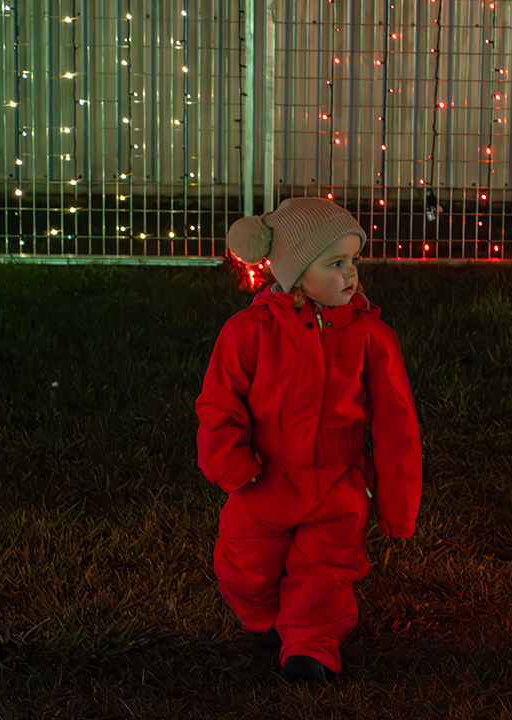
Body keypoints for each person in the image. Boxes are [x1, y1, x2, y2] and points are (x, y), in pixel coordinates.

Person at [196, 197, 422, 683]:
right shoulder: (249, 332)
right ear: (297, 274)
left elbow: (396, 423)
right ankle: (262, 619)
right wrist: (230, 462)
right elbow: (219, 402)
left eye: (353, 260)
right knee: (244, 565)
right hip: (264, 477)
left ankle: (311, 645)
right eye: (335, 263)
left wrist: (397, 502)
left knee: (326, 569)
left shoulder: (371, 336)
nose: (351, 273)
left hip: (337, 482)